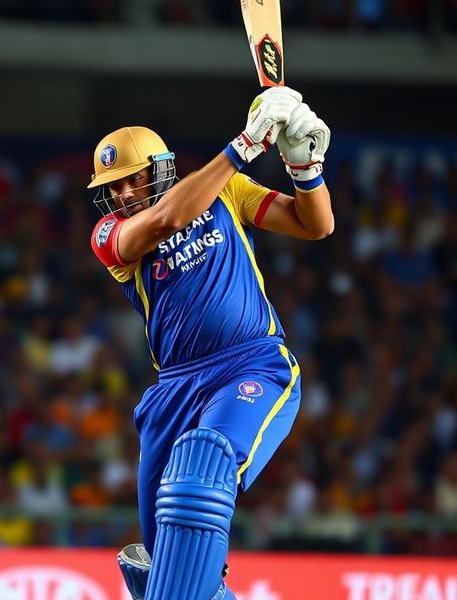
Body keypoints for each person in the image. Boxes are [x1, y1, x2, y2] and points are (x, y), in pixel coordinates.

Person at [88, 87, 332, 600]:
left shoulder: (229, 191)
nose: (125, 194)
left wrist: (303, 165)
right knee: (167, 578)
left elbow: (317, 224)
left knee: (203, 469)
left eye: (133, 179)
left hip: (252, 367)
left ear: (161, 169)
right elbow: (165, 220)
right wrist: (245, 143)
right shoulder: (111, 234)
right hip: (173, 391)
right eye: (114, 187)